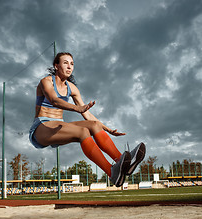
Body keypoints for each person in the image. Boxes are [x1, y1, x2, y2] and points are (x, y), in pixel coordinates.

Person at [29, 52, 145, 187]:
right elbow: (54, 100)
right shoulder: (46, 81)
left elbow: (87, 114)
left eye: (72, 64)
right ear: (56, 66)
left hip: (58, 126)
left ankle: (123, 163)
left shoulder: (72, 88)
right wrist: (77, 108)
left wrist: (107, 129)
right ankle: (111, 171)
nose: (69, 66)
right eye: (65, 63)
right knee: (83, 131)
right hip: (41, 127)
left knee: (94, 125)